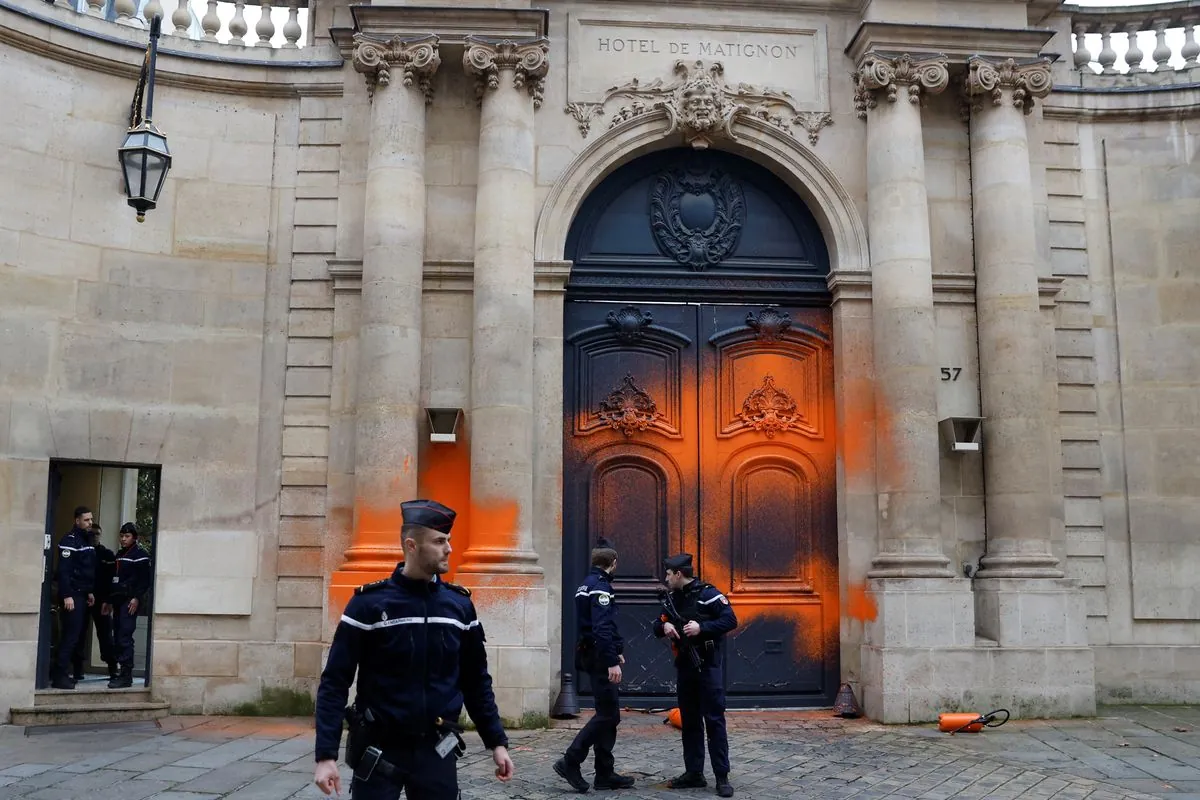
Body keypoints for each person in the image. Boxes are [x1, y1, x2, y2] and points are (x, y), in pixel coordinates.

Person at [313, 499, 515, 799]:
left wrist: (496, 742)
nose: (449, 548)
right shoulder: (368, 604)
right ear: (412, 545)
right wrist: (325, 756)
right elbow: (334, 682)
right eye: (439, 541)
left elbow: (476, 681)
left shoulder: (458, 606)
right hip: (380, 748)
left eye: (448, 540)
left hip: (436, 748)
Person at [554, 537, 635, 793]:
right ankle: (571, 760)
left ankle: (604, 774)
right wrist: (611, 660)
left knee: (608, 714)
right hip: (600, 657)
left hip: (592, 654)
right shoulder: (600, 587)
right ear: (613, 562)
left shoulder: (584, 585)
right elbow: (601, 628)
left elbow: (598, 627)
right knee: (608, 715)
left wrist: (616, 650)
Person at [655, 553, 738, 797]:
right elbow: (656, 625)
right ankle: (694, 773)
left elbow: (730, 620)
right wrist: (664, 626)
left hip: (708, 667)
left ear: (679, 574)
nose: (666, 578)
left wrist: (703, 628)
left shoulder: (708, 594)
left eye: (669, 574)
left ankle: (722, 777)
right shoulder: (672, 599)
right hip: (685, 668)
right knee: (690, 722)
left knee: (714, 721)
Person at [53, 506, 97, 690]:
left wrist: (89, 591)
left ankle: (65, 674)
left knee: (77, 636)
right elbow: (64, 572)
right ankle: (59, 676)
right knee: (69, 636)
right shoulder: (69, 541)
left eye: (91, 519)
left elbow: (85, 570)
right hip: (71, 595)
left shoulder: (86, 540)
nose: (90, 523)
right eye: (86, 520)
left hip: (81, 594)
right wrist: (67, 595)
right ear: (77, 520)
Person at [72, 523, 118, 683]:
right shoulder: (81, 551)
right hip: (82, 598)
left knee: (105, 635)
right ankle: (77, 669)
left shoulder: (106, 555)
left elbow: (113, 579)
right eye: (91, 534)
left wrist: (109, 600)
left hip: (102, 600)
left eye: (97, 533)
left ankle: (113, 668)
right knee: (78, 634)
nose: (94, 536)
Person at [108, 522, 152, 689]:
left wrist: (136, 598)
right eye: (121, 536)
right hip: (118, 601)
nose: (123, 539)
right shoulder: (120, 554)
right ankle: (121, 672)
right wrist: (109, 601)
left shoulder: (140, 554)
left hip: (130, 601)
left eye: (127, 536)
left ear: (134, 538)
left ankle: (126, 675)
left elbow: (144, 581)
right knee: (118, 636)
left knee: (125, 637)